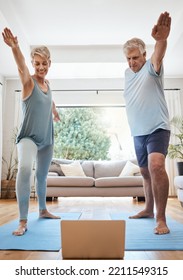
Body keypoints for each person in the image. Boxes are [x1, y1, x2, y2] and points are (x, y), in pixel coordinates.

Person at [2, 27, 61, 236]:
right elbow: (20, 67)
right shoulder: (28, 82)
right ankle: (22, 220)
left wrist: (54, 111)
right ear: (33, 64)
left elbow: (49, 98)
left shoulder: (48, 84)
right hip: (28, 137)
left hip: (47, 138)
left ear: (49, 64)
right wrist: (15, 47)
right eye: (37, 63)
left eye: (44, 63)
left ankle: (43, 210)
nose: (41, 67)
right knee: (26, 169)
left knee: (42, 176)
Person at [123, 12, 171, 235]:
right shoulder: (127, 73)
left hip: (157, 128)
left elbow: (158, 56)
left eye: (136, 57)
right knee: (144, 172)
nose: (132, 62)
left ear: (144, 55)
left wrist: (160, 40)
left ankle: (161, 219)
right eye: (129, 59)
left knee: (156, 166)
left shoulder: (151, 68)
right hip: (138, 132)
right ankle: (148, 209)